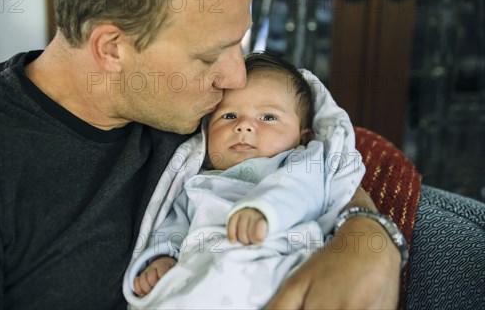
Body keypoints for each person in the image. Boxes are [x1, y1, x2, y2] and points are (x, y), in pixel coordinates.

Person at [0, 0, 402, 309]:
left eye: (237, 45)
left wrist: (367, 239)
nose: (235, 78)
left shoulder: (201, 109)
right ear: (112, 47)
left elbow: (320, 146)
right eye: (208, 56)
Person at [123, 52, 364, 308]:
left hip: (270, 259)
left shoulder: (299, 162)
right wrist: (162, 258)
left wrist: (265, 209)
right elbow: (173, 225)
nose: (244, 126)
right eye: (229, 116)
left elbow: (302, 191)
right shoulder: (195, 181)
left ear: (303, 137)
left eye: (268, 117)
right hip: (202, 271)